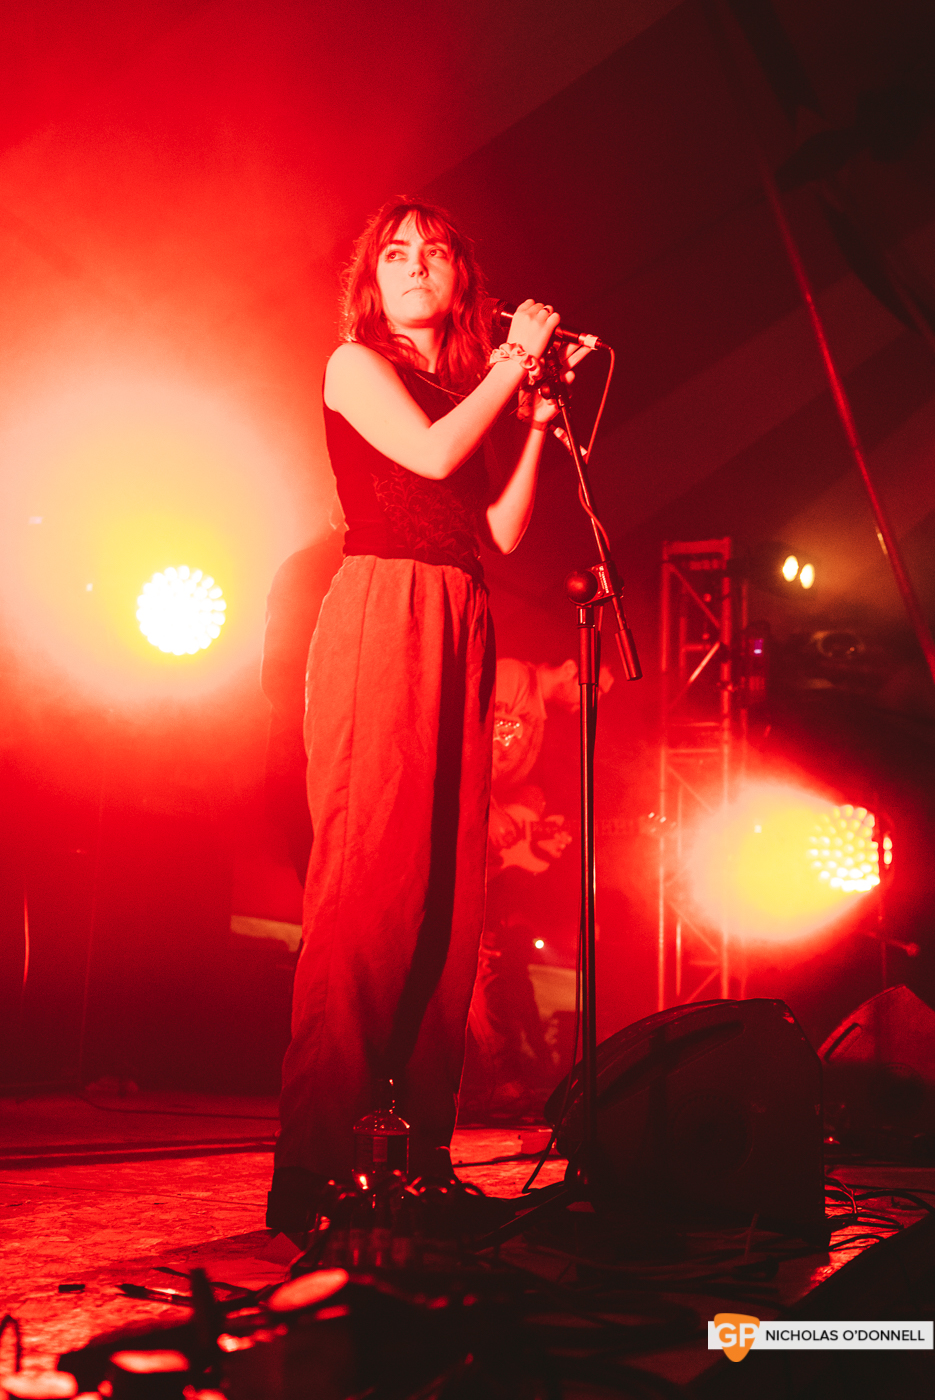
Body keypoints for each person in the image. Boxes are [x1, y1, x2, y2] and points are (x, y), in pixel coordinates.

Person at [267, 199, 588, 1232]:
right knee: (368, 891)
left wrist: (533, 422)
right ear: (373, 279)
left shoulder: (463, 387)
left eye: (432, 254)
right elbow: (434, 458)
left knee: (445, 907)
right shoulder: (355, 365)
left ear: (459, 278)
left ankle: (410, 1159)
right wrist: (513, 369)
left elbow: (493, 521)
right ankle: (318, 1166)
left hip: (460, 607)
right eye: (393, 255)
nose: (412, 268)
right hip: (383, 604)